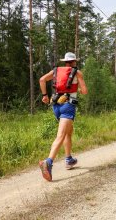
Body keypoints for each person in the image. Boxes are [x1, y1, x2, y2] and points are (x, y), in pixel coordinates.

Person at [38, 52, 88, 181]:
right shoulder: (77, 72)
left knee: (68, 133)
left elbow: (42, 80)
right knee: (61, 135)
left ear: (65, 61)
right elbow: (84, 91)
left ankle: (69, 159)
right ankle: (48, 162)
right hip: (68, 106)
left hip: (56, 106)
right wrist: (77, 89)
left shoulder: (55, 71)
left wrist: (45, 95)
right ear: (74, 62)